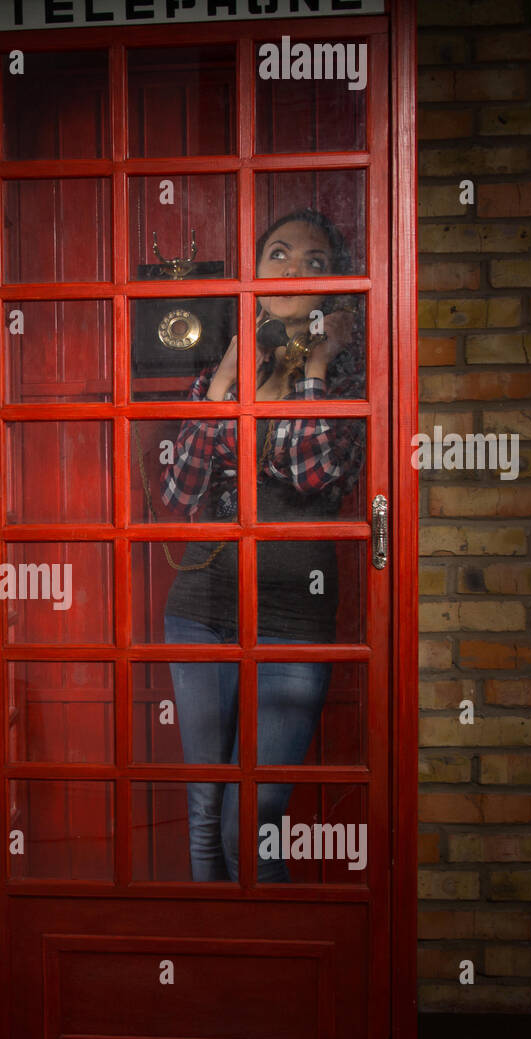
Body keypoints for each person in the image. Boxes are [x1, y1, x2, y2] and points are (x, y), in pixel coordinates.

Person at [160, 208, 366, 884]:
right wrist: (226, 374)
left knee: (258, 810)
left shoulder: (345, 383)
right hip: (202, 605)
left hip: (293, 618)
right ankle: (208, 966)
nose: (291, 270)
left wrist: (315, 362)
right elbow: (181, 486)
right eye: (277, 254)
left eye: (314, 260)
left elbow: (314, 469)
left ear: (334, 284)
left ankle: (266, 968)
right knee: (203, 808)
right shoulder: (224, 371)